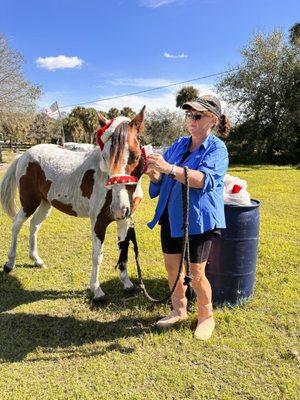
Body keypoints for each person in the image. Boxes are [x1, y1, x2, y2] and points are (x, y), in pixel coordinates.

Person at [146, 94, 231, 340]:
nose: (191, 120)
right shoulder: (179, 144)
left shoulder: (217, 149)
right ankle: (179, 310)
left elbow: (205, 180)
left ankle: (206, 317)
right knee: (172, 267)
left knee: (196, 273)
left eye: (197, 116)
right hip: (171, 216)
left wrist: (169, 169)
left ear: (212, 120)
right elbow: (164, 179)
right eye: (189, 115)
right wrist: (155, 175)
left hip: (199, 219)